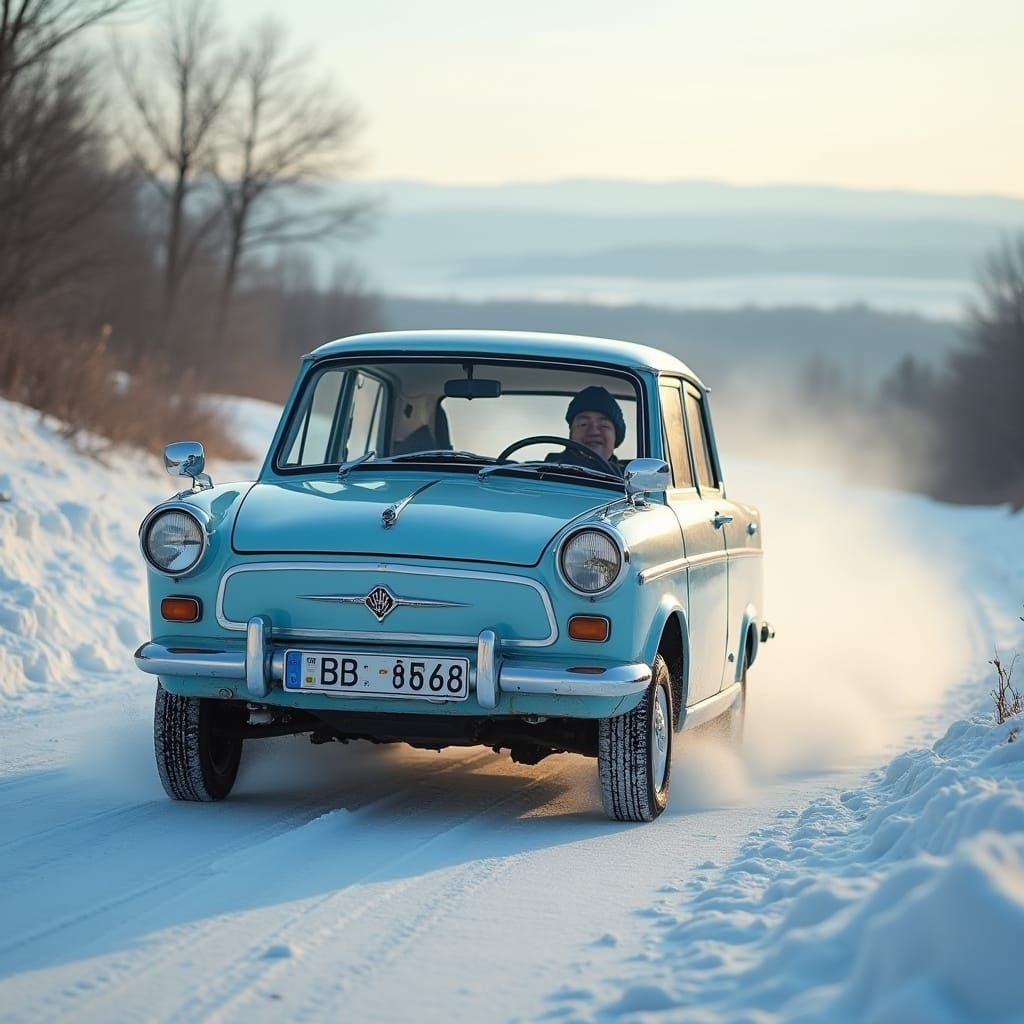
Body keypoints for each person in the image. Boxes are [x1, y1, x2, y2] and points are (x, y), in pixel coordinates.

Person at [547, 385, 626, 474]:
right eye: (583, 424)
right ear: (571, 433)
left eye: (604, 425)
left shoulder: (631, 484)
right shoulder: (544, 473)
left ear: (616, 437)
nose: (594, 432)